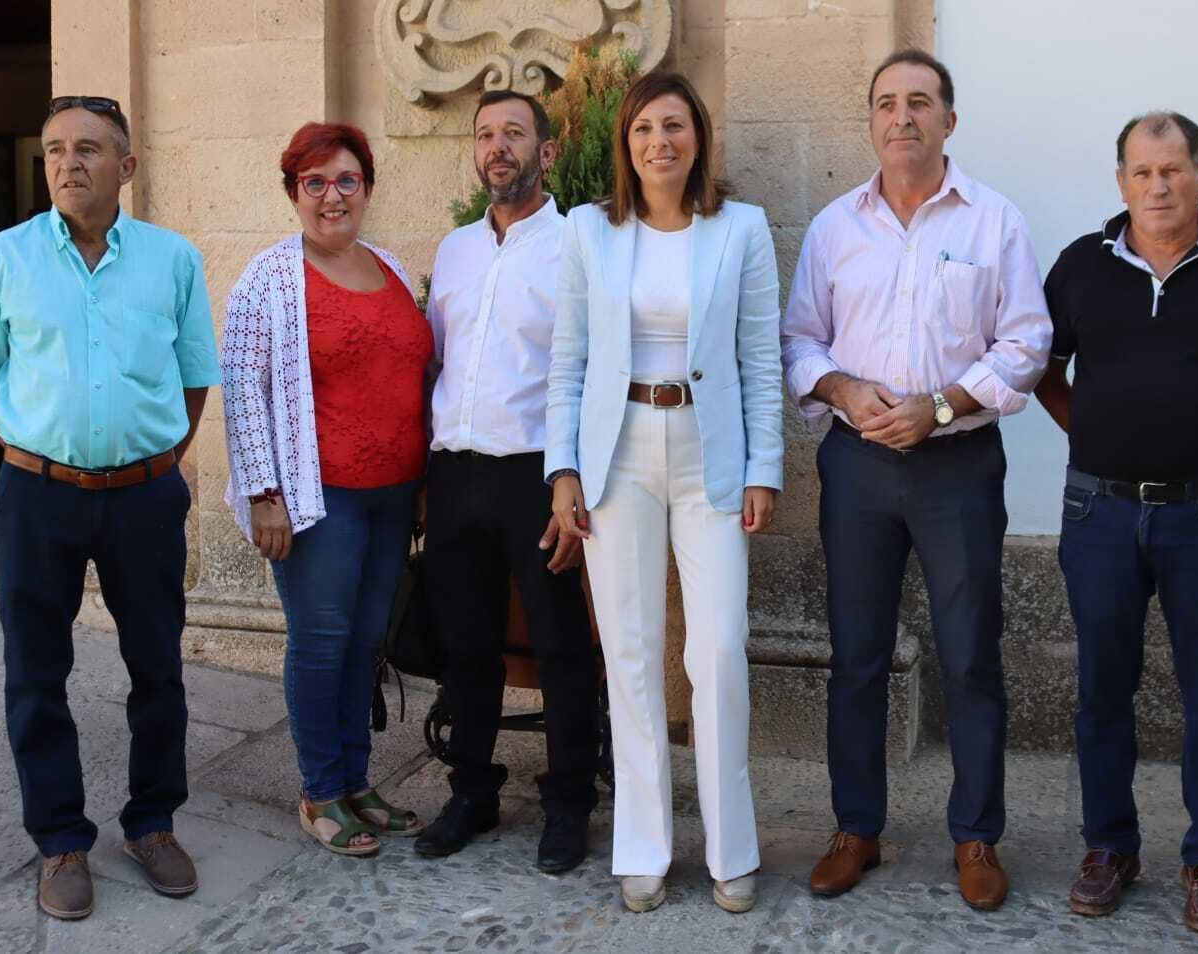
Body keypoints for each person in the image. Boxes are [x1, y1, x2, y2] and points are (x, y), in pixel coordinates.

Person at [781, 49, 1052, 912]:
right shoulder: (834, 228)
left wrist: (939, 406)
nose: (904, 117)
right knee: (855, 655)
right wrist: (842, 387)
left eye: (921, 103)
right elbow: (800, 341)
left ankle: (976, 835)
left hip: (957, 467)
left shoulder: (994, 223)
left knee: (971, 654)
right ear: (870, 121)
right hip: (858, 468)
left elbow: (1026, 345)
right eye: (888, 104)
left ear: (949, 120)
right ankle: (856, 828)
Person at [0, 95, 220, 919]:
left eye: (90, 150)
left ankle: (152, 823)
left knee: (159, 667)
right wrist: (34, 455)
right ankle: (60, 840)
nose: (70, 163)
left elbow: (195, 375)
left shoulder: (172, 260)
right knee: (36, 671)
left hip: (143, 495)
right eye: (56, 150)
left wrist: (155, 460)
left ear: (127, 167)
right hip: (37, 495)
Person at [1034, 112, 1198, 935]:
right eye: (1142, 172)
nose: (1159, 186)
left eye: (1174, 170)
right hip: (1100, 510)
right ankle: (1109, 846)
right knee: (1102, 689)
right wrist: (1097, 437)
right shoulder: (1081, 265)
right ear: (1121, 182)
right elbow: (1042, 371)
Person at [546, 70, 782, 914]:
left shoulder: (741, 230)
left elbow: (762, 358)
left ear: (698, 138)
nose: (660, 143)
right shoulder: (589, 232)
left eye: (675, 126)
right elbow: (567, 359)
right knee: (633, 652)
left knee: (716, 650)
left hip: (710, 452)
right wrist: (562, 469)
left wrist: (764, 469)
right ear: (626, 143)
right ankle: (643, 845)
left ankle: (731, 848)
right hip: (618, 452)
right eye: (645, 128)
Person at [221, 122, 432, 857]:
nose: (332, 195)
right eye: (315, 182)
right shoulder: (268, 278)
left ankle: (355, 782)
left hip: (393, 492)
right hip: (320, 499)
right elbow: (244, 390)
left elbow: (416, 375)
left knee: (366, 642)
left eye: (345, 180)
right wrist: (262, 491)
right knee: (322, 642)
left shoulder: (394, 270)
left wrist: (427, 479)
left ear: (367, 189)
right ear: (294, 194)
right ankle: (320, 790)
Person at [414, 90, 602, 874]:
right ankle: (472, 793)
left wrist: (575, 483)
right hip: (456, 472)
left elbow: (591, 371)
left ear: (547, 153)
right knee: (468, 645)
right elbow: (434, 358)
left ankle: (567, 807)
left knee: (561, 646)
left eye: (514, 134)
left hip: (537, 474)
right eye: (486, 135)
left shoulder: (578, 247)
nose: (498, 147)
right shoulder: (455, 250)